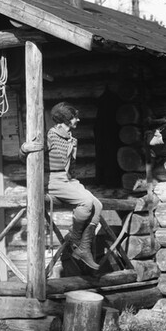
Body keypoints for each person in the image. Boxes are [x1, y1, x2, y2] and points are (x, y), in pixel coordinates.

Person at [45, 102, 103, 271]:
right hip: (55, 181)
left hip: (69, 180)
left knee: (98, 205)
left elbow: (71, 168)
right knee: (86, 202)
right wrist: (24, 149)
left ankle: (83, 248)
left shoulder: (70, 138)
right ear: (66, 119)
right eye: (74, 117)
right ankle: (76, 241)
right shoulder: (50, 136)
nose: (78, 119)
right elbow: (29, 152)